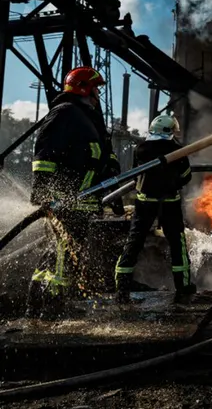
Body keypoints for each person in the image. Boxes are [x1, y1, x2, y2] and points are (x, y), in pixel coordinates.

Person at [27, 67, 120, 318]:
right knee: (62, 252)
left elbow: (103, 154)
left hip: (82, 200)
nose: (98, 94)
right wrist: (43, 191)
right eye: (95, 88)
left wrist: (113, 177)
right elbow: (44, 154)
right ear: (84, 89)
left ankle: (41, 303)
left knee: (61, 252)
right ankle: (52, 305)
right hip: (65, 199)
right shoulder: (65, 113)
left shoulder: (87, 117)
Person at [114, 114, 193, 303]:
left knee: (134, 242)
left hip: (144, 203)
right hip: (170, 203)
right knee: (177, 244)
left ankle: (122, 286)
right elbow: (186, 176)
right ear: (169, 131)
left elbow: (136, 175)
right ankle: (183, 287)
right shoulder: (177, 150)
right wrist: (172, 182)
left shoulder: (140, 149)